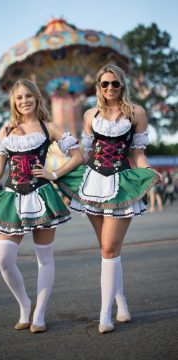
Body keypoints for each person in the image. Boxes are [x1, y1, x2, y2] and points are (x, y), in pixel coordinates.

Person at [56, 64, 161, 334]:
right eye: (105, 84)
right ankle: (121, 300)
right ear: (99, 87)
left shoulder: (136, 113)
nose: (110, 88)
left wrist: (148, 172)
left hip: (120, 184)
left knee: (109, 249)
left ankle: (105, 315)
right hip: (93, 183)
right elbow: (87, 154)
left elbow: (137, 154)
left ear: (122, 85)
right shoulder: (91, 115)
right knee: (107, 250)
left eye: (115, 83)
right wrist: (58, 173)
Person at [0, 79, 83, 333]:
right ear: (14, 101)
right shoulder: (7, 130)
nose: (24, 101)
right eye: (19, 97)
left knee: (44, 259)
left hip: (42, 197)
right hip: (12, 197)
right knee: (4, 259)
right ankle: (25, 305)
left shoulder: (49, 128)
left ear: (36, 98)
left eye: (28, 96)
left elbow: (79, 156)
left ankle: (40, 315)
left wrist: (54, 174)